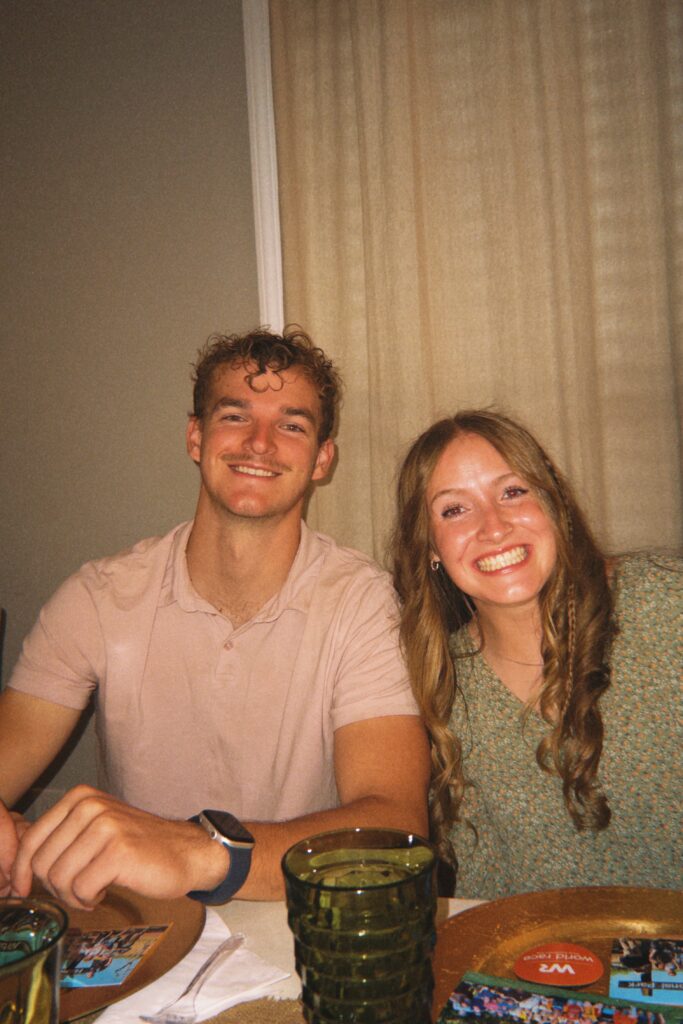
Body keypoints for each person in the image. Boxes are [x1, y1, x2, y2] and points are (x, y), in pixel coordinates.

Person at [0, 326, 429, 910]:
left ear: (322, 459)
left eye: (292, 425)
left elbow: (394, 828)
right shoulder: (98, 599)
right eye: (235, 416)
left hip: (296, 924)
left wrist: (200, 852)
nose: (260, 442)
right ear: (196, 438)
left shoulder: (362, 604)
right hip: (142, 926)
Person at [392, 408, 681, 898]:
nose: (494, 526)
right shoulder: (439, 693)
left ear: (554, 503)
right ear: (430, 548)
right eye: (454, 509)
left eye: (513, 492)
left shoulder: (664, 606)